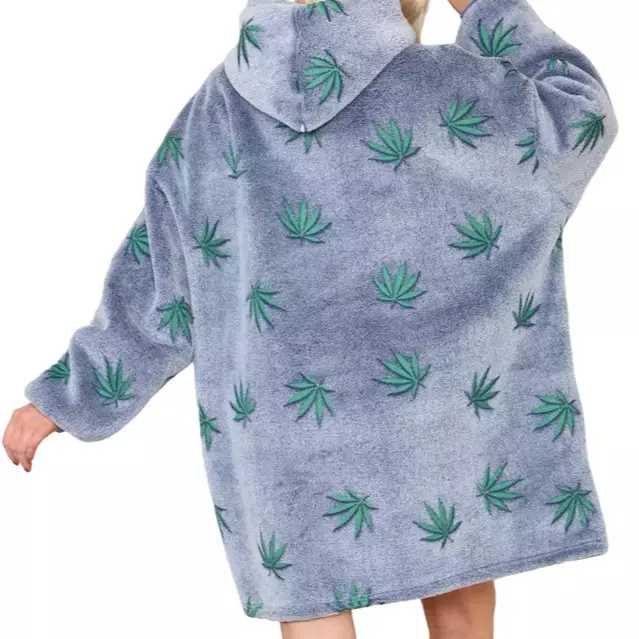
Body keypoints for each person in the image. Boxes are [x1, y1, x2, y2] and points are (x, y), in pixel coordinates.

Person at [3, 0, 618, 637]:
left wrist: (67, 396)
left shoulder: (217, 110)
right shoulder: (446, 85)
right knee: (456, 582)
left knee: (312, 603)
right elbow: (580, 118)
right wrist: (484, 5)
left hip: (283, 425)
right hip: (436, 416)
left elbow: (163, 279)